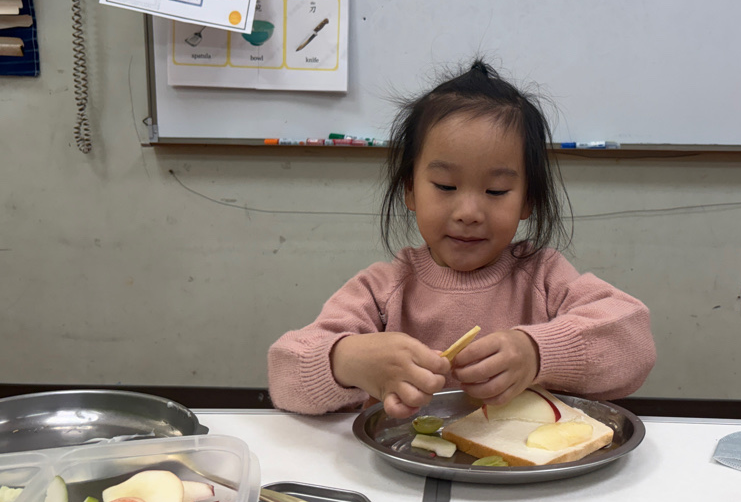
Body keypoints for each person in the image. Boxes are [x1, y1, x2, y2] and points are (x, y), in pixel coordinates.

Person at [268, 58, 656, 417]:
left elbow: (635, 343)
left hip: (527, 464)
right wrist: (348, 361)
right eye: (445, 186)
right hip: (401, 461)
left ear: (528, 200)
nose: (469, 213)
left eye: (496, 191)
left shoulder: (544, 277)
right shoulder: (382, 290)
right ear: (410, 190)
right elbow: (284, 373)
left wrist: (538, 354)